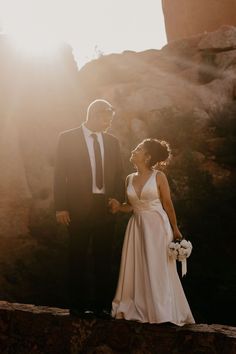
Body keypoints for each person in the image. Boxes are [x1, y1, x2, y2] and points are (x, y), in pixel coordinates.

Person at [109, 138, 195, 325]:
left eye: (139, 148)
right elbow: (131, 206)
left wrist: (175, 228)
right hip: (136, 227)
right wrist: (117, 207)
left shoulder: (158, 176)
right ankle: (139, 308)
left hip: (157, 226)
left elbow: (167, 204)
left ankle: (162, 311)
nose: (134, 149)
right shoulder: (129, 178)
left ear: (147, 156)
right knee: (137, 265)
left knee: (158, 267)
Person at [54, 99, 124, 318]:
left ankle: (102, 307)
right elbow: (59, 175)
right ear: (94, 114)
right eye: (106, 118)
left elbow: (119, 174)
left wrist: (117, 199)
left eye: (110, 119)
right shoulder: (67, 138)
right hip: (77, 208)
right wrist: (61, 207)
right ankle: (76, 306)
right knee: (77, 258)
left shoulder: (112, 142)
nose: (108, 123)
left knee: (104, 260)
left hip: (105, 208)